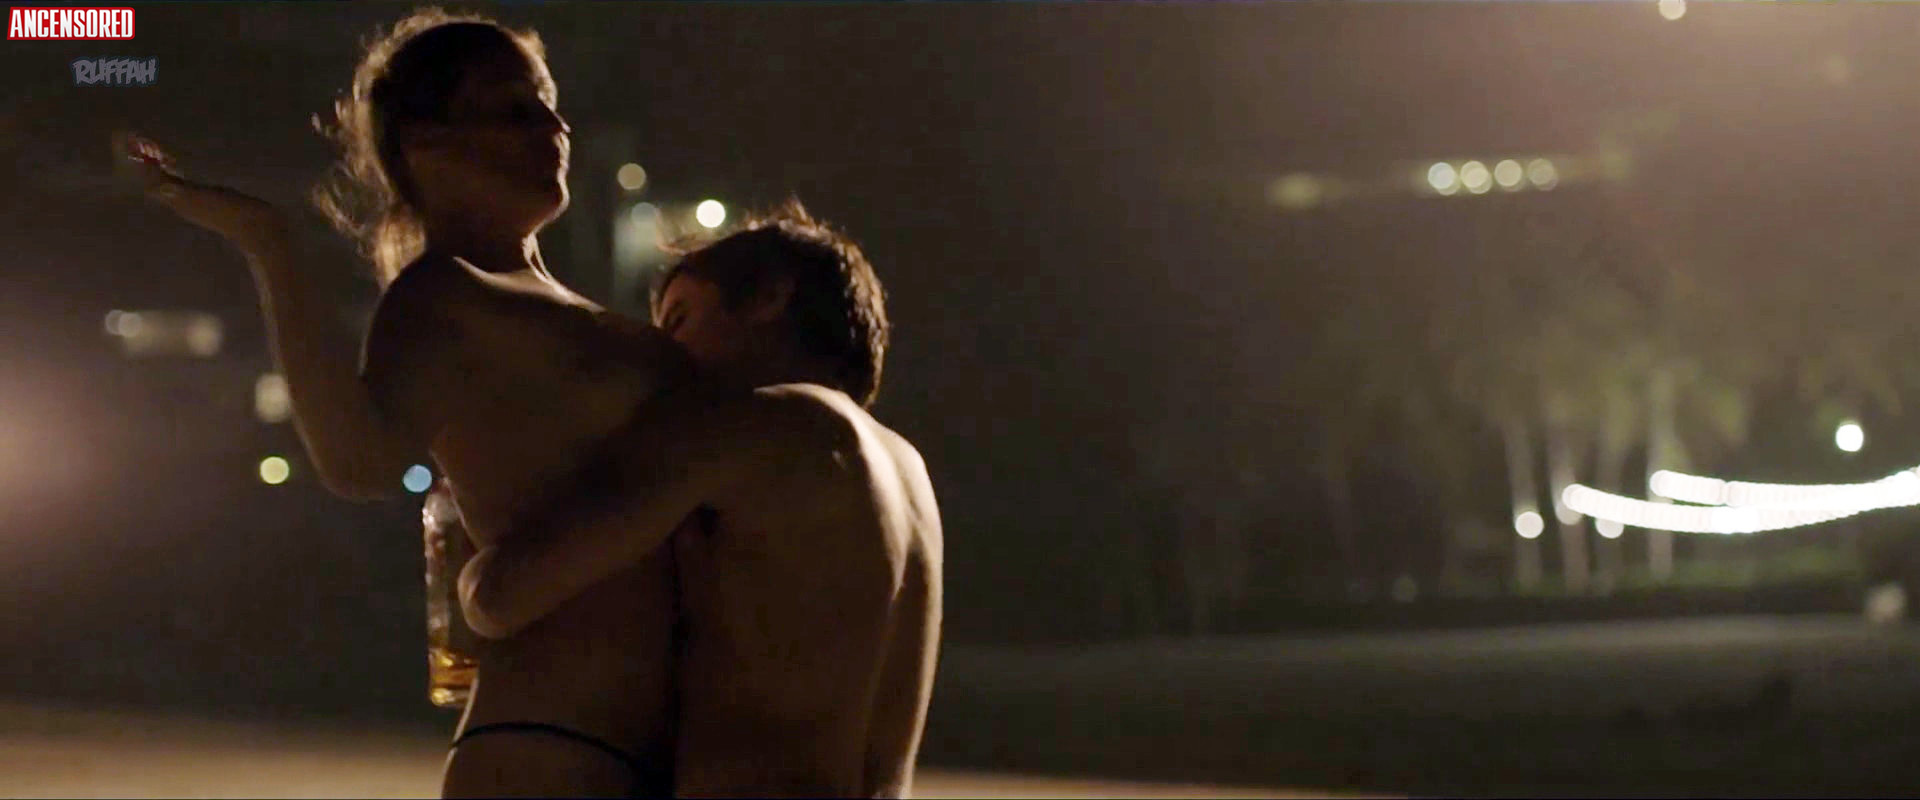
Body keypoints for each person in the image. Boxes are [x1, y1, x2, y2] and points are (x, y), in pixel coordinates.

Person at [119, 8, 692, 797]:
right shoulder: (445, 296)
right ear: (427, 144)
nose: (554, 127)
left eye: (549, 103)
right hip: (559, 735)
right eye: (513, 109)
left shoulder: (537, 297)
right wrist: (268, 242)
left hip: (623, 737)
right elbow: (358, 463)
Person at [459, 206, 945, 798]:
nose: (666, 356)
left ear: (768, 298)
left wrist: (470, 567)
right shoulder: (906, 468)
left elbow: (505, 595)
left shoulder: (750, 425)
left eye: (679, 320)